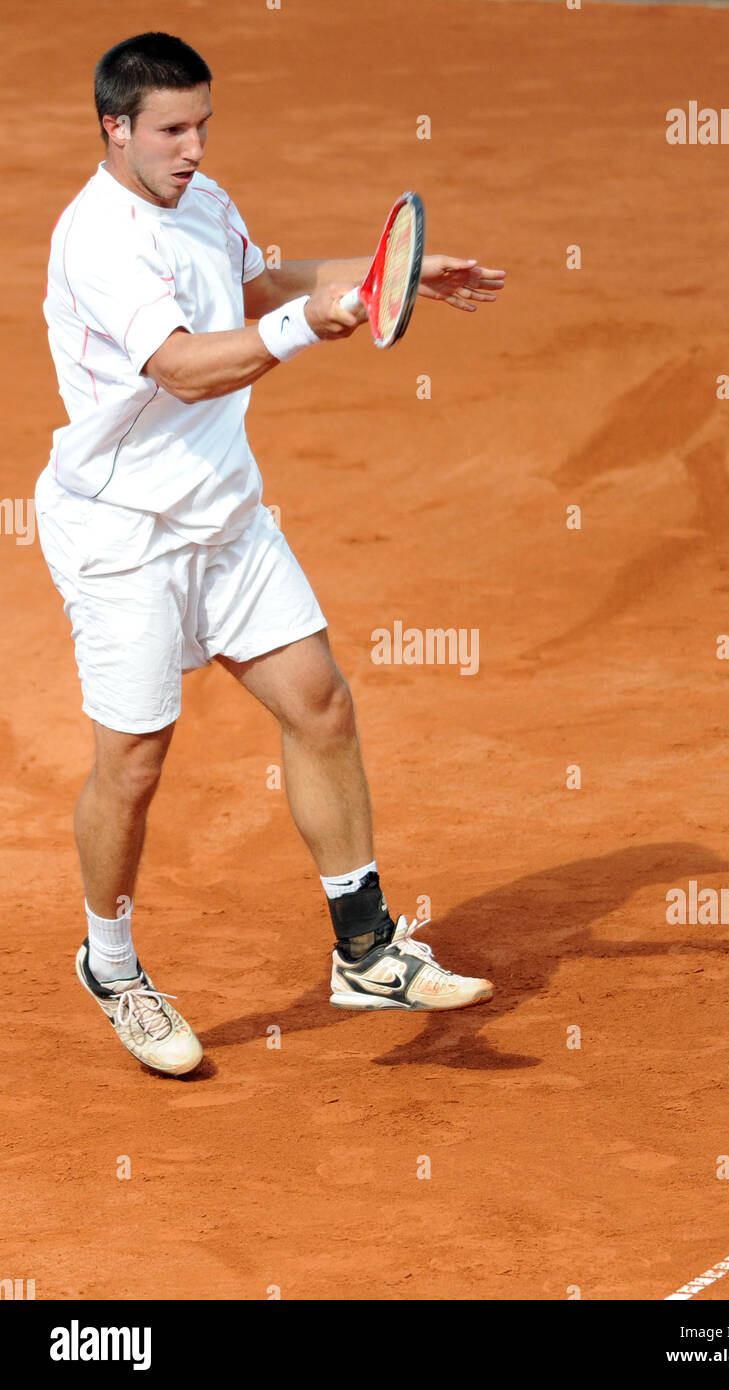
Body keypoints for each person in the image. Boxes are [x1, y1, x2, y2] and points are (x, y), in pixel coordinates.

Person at [36, 31, 505, 1075]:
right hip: (124, 535)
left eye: (201, 123)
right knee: (136, 761)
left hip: (225, 514)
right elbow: (187, 368)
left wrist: (393, 274)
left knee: (319, 702)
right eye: (169, 129)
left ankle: (365, 951)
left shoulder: (200, 197)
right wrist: (309, 323)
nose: (192, 145)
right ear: (114, 129)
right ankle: (110, 964)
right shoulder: (98, 240)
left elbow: (251, 286)